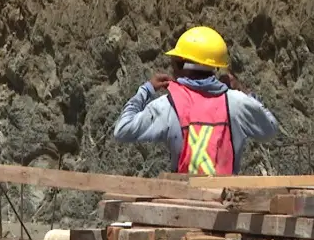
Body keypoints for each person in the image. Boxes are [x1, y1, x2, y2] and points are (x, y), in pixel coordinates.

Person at [113, 26, 279, 175]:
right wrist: (244, 91)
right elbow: (271, 129)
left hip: (185, 201)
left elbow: (122, 130)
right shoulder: (237, 102)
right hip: (225, 201)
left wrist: (146, 89)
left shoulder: (168, 106)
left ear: (180, 64)